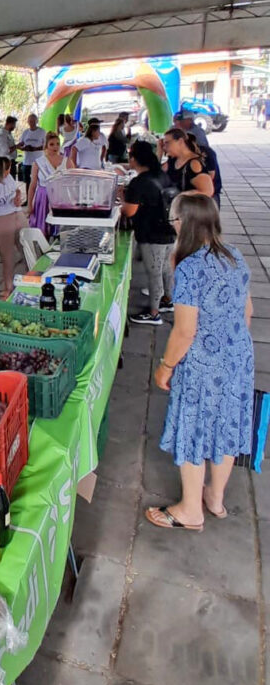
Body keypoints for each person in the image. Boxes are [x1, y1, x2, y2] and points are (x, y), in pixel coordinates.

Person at [146, 193, 254, 532]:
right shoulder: (235, 256)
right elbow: (247, 313)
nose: (173, 226)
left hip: (203, 366)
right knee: (225, 426)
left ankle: (190, 510)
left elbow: (185, 331)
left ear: (186, 224)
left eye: (175, 220)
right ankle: (215, 498)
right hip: (238, 359)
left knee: (194, 430)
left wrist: (165, 366)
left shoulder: (191, 267)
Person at [122, 141, 176, 325]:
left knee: (154, 272)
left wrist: (123, 197)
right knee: (166, 269)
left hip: (151, 233)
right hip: (169, 230)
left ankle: (154, 313)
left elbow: (129, 211)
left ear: (135, 159)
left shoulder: (139, 182)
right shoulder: (162, 175)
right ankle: (168, 301)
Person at [0, 156, 27, 297]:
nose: (9, 171)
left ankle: (33, 278)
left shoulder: (9, 178)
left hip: (17, 215)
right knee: (7, 258)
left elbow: (16, 190)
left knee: (27, 250)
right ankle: (8, 288)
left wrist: (17, 196)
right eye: (8, 169)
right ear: (2, 170)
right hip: (2, 221)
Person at [28, 131, 74, 237]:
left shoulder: (67, 161)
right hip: (43, 197)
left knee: (60, 229)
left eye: (58, 144)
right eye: (52, 144)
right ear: (46, 146)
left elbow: (74, 182)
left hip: (61, 197)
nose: (55, 147)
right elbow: (33, 185)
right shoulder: (38, 162)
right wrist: (30, 204)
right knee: (42, 228)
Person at [159, 128, 214, 197]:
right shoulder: (173, 160)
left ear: (180, 141)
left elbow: (208, 191)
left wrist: (181, 195)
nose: (164, 147)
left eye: (167, 143)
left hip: (189, 206)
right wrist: (159, 152)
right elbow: (155, 173)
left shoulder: (194, 164)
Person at [17, 114, 47, 189]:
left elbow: (46, 146)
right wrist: (24, 148)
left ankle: (38, 198)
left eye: (33, 121)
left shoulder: (42, 132)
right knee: (28, 183)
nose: (31, 122)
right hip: (27, 162)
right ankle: (28, 199)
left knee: (39, 182)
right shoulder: (25, 132)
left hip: (38, 162)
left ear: (36, 121)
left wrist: (35, 149)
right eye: (30, 121)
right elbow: (21, 145)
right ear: (28, 122)